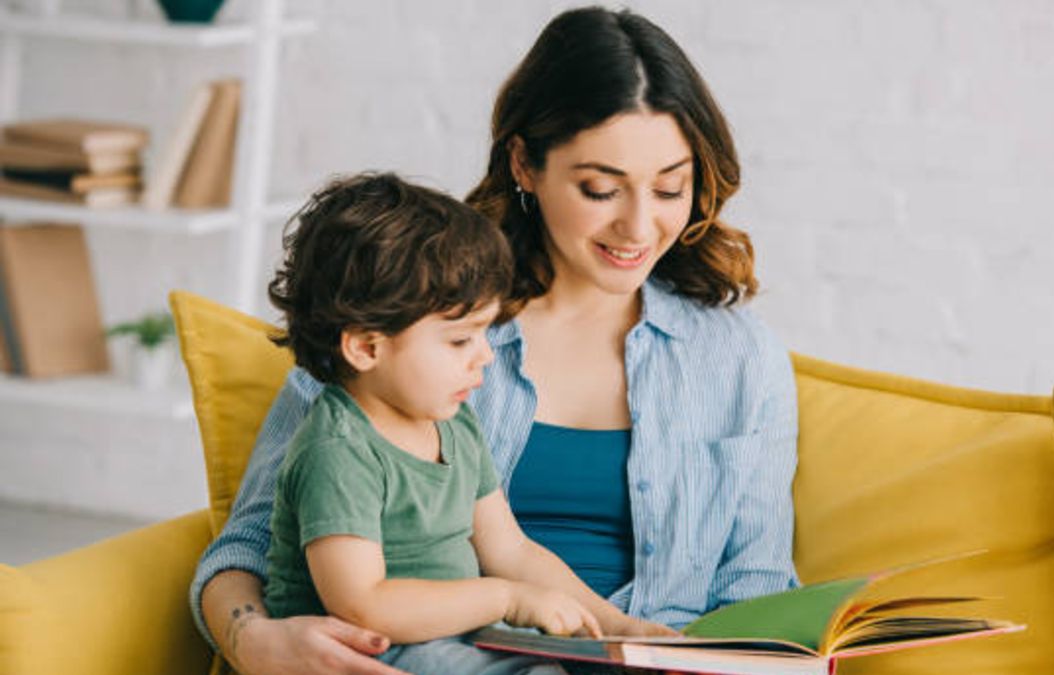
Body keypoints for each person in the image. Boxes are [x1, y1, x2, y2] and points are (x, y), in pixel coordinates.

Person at [190, 7, 799, 675]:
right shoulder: (401, 315)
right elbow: (244, 550)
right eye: (599, 188)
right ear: (525, 164)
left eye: (670, 188)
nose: (638, 225)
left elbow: (757, 586)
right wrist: (254, 640)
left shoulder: (739, 359)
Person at [260, 172, 670, 674]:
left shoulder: (454, 425)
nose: (485, 358)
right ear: (367, 347)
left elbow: (512, 550)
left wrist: (616, 624)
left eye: (485, 334)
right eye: (459, 341)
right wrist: (503, 599)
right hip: (362, 652)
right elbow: (364, 604)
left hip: (446, 644)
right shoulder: (339, 451)